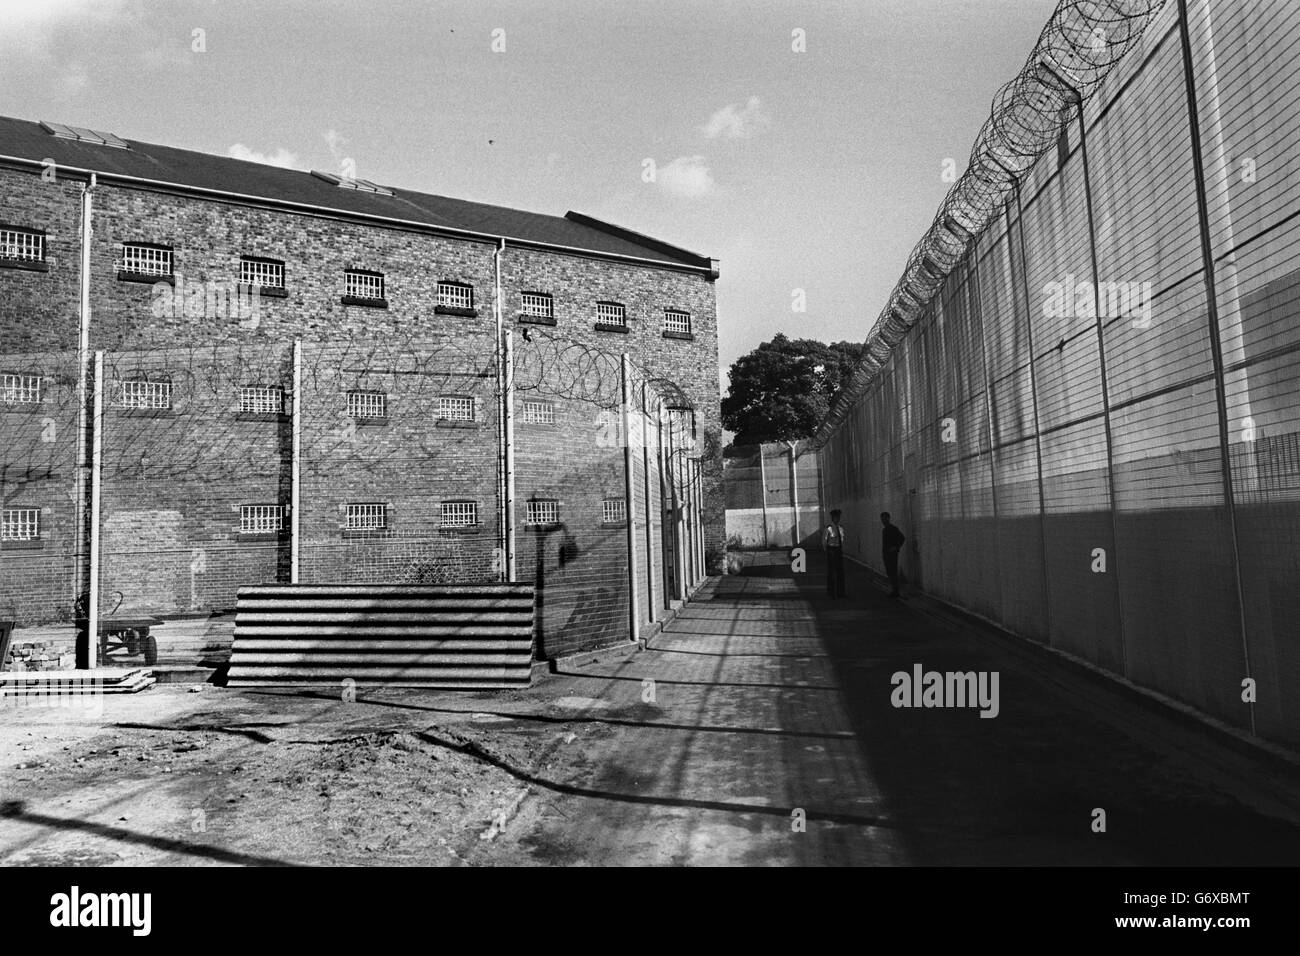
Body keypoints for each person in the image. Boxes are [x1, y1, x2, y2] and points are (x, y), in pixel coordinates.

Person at [823, 508, 846, 598]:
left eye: (838, 517)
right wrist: (827, 551)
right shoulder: (829, 529)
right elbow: (824, 541)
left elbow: (842, 540)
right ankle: (831, 593)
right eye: (836, 517)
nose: (837, 519)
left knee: (840, 571)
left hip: (839, 550)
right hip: (831, 550)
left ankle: (841, 593)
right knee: (831, 572)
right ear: (832, 518)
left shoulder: (840, 528)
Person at [881, 512, 905, 598]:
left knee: (892, 572)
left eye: (884, 518)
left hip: (892, 554)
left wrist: (895, 547)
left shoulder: (892, 529)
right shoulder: (885, 530)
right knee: (890, 572)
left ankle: (895, 590)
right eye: (882, 519)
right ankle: (894, 590)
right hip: (888, 554)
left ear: (888, 518)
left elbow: (902, 538)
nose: (883, 520)